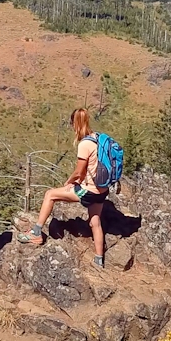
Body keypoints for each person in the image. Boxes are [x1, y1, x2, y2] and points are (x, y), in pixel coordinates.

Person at [18, 108, 108, 268]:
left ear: (76, 123)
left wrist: (68, 182)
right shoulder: (99, 138)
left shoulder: (85, 144)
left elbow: (79, 171)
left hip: (88, 191)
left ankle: (36, 233)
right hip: (102, 190)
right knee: (95, 222)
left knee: (50, 194)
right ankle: (99, 259)